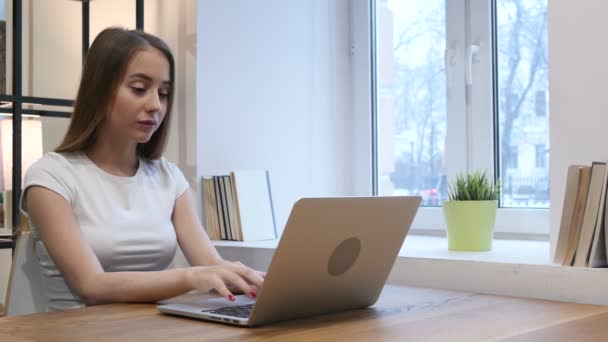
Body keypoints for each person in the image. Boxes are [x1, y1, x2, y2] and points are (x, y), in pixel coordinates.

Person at [20, 27, 264, 312]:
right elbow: (91, 286)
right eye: (139, 89)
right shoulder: (51, 178)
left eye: (163, 93)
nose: (155, 105)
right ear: (99, 91)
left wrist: (252, 278)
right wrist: (189, 277)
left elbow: (210, 264)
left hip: (150, 329)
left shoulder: (168, 178)